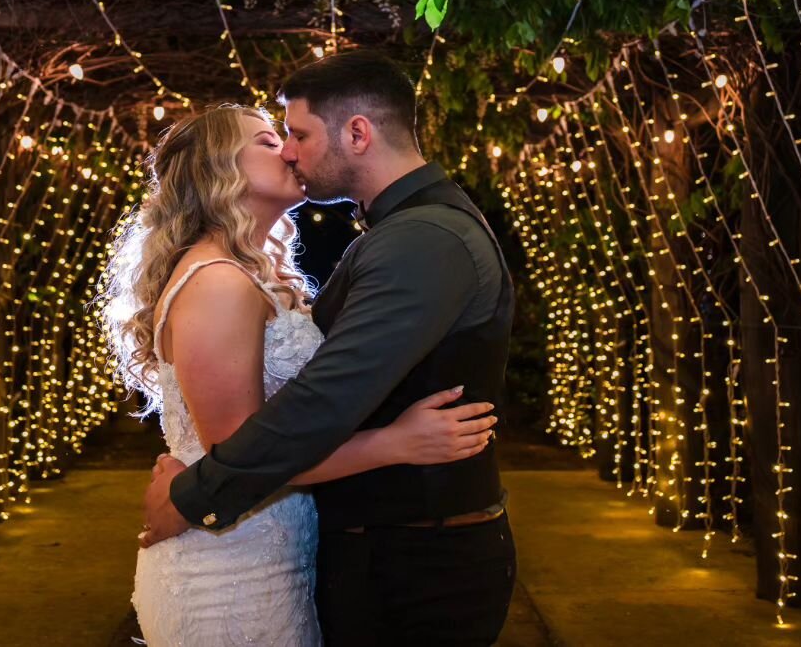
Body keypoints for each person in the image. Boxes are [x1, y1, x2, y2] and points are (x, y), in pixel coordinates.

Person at [140, 51, 518, 646]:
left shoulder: (421, 238)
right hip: (287, 558)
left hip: (413, 561)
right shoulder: (228, 278)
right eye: (275, 140)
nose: (290, 150)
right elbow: (302, 406)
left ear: (358, 133)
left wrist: (192, 496)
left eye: (295, 134)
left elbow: (323, 400)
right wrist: (394, 443)